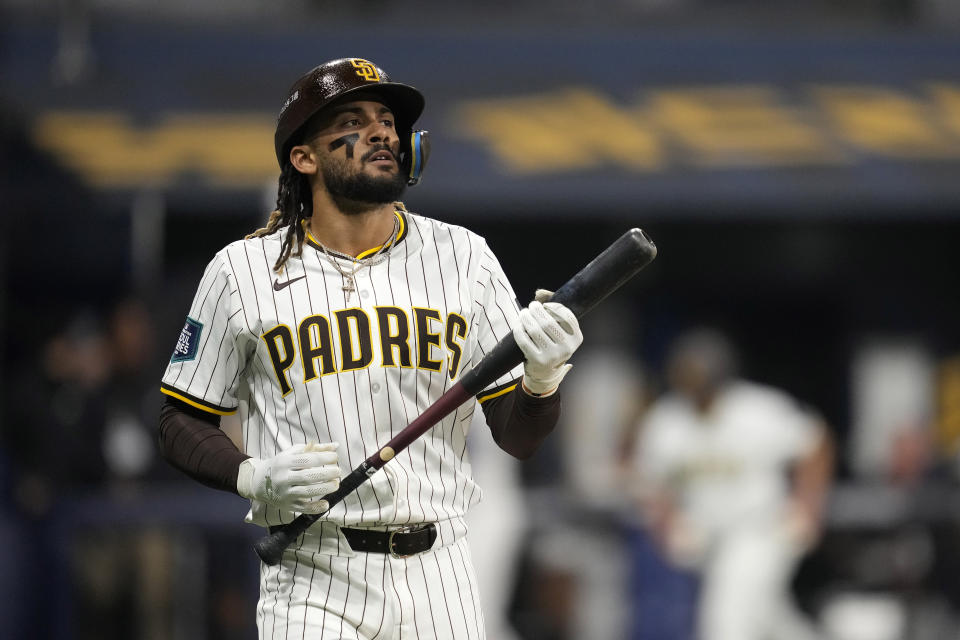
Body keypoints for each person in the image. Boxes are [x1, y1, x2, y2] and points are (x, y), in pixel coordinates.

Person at [157, 57, 583, 639]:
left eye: (388, 119)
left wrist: (542, 380)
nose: (383, 130)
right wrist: (252, 476)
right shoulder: (241, 269)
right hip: (311, 571)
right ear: (304, 158)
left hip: (440, 572)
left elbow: (518, 436)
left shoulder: (465, 257)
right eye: (352, 120)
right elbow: (179, 419)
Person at [628, 328, 833, 640]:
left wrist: (807, 508)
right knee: (766, 618)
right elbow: (650, 482)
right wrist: (667, 523)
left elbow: (816, 444)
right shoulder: (667, 419)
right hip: (709, 540)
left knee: (725, 622)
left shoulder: (756, 408)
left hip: (761, 530)